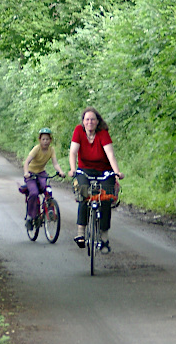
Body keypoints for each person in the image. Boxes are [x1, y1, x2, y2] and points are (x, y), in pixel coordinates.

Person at [68, 107, 124, 252]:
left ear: (97, 121)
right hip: (84, 170)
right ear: (83, 122)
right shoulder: (78, 131)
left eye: (93, 119)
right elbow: (73, 152)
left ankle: (104, 237)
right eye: (87, 119)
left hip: (104, 170)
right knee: (84, 194)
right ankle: (81, 233)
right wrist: (73, 169)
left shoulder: (103, 133)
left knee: (105, 199)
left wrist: (116, 172)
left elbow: (110, 154)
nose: (90, 122)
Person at [22, 128, 66, 230]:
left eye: (47, 139)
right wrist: (26, 172)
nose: (45, 141)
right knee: (34, 192)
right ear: (40, 140)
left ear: (50, 140)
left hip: (41, 173)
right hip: (31, 174)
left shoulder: (51, 150)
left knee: (47, 189)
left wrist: (60, 171)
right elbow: (26, 162)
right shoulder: (36, 149)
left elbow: (55, 163)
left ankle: (50, 209)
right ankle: (30, 217)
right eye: (43, 139)